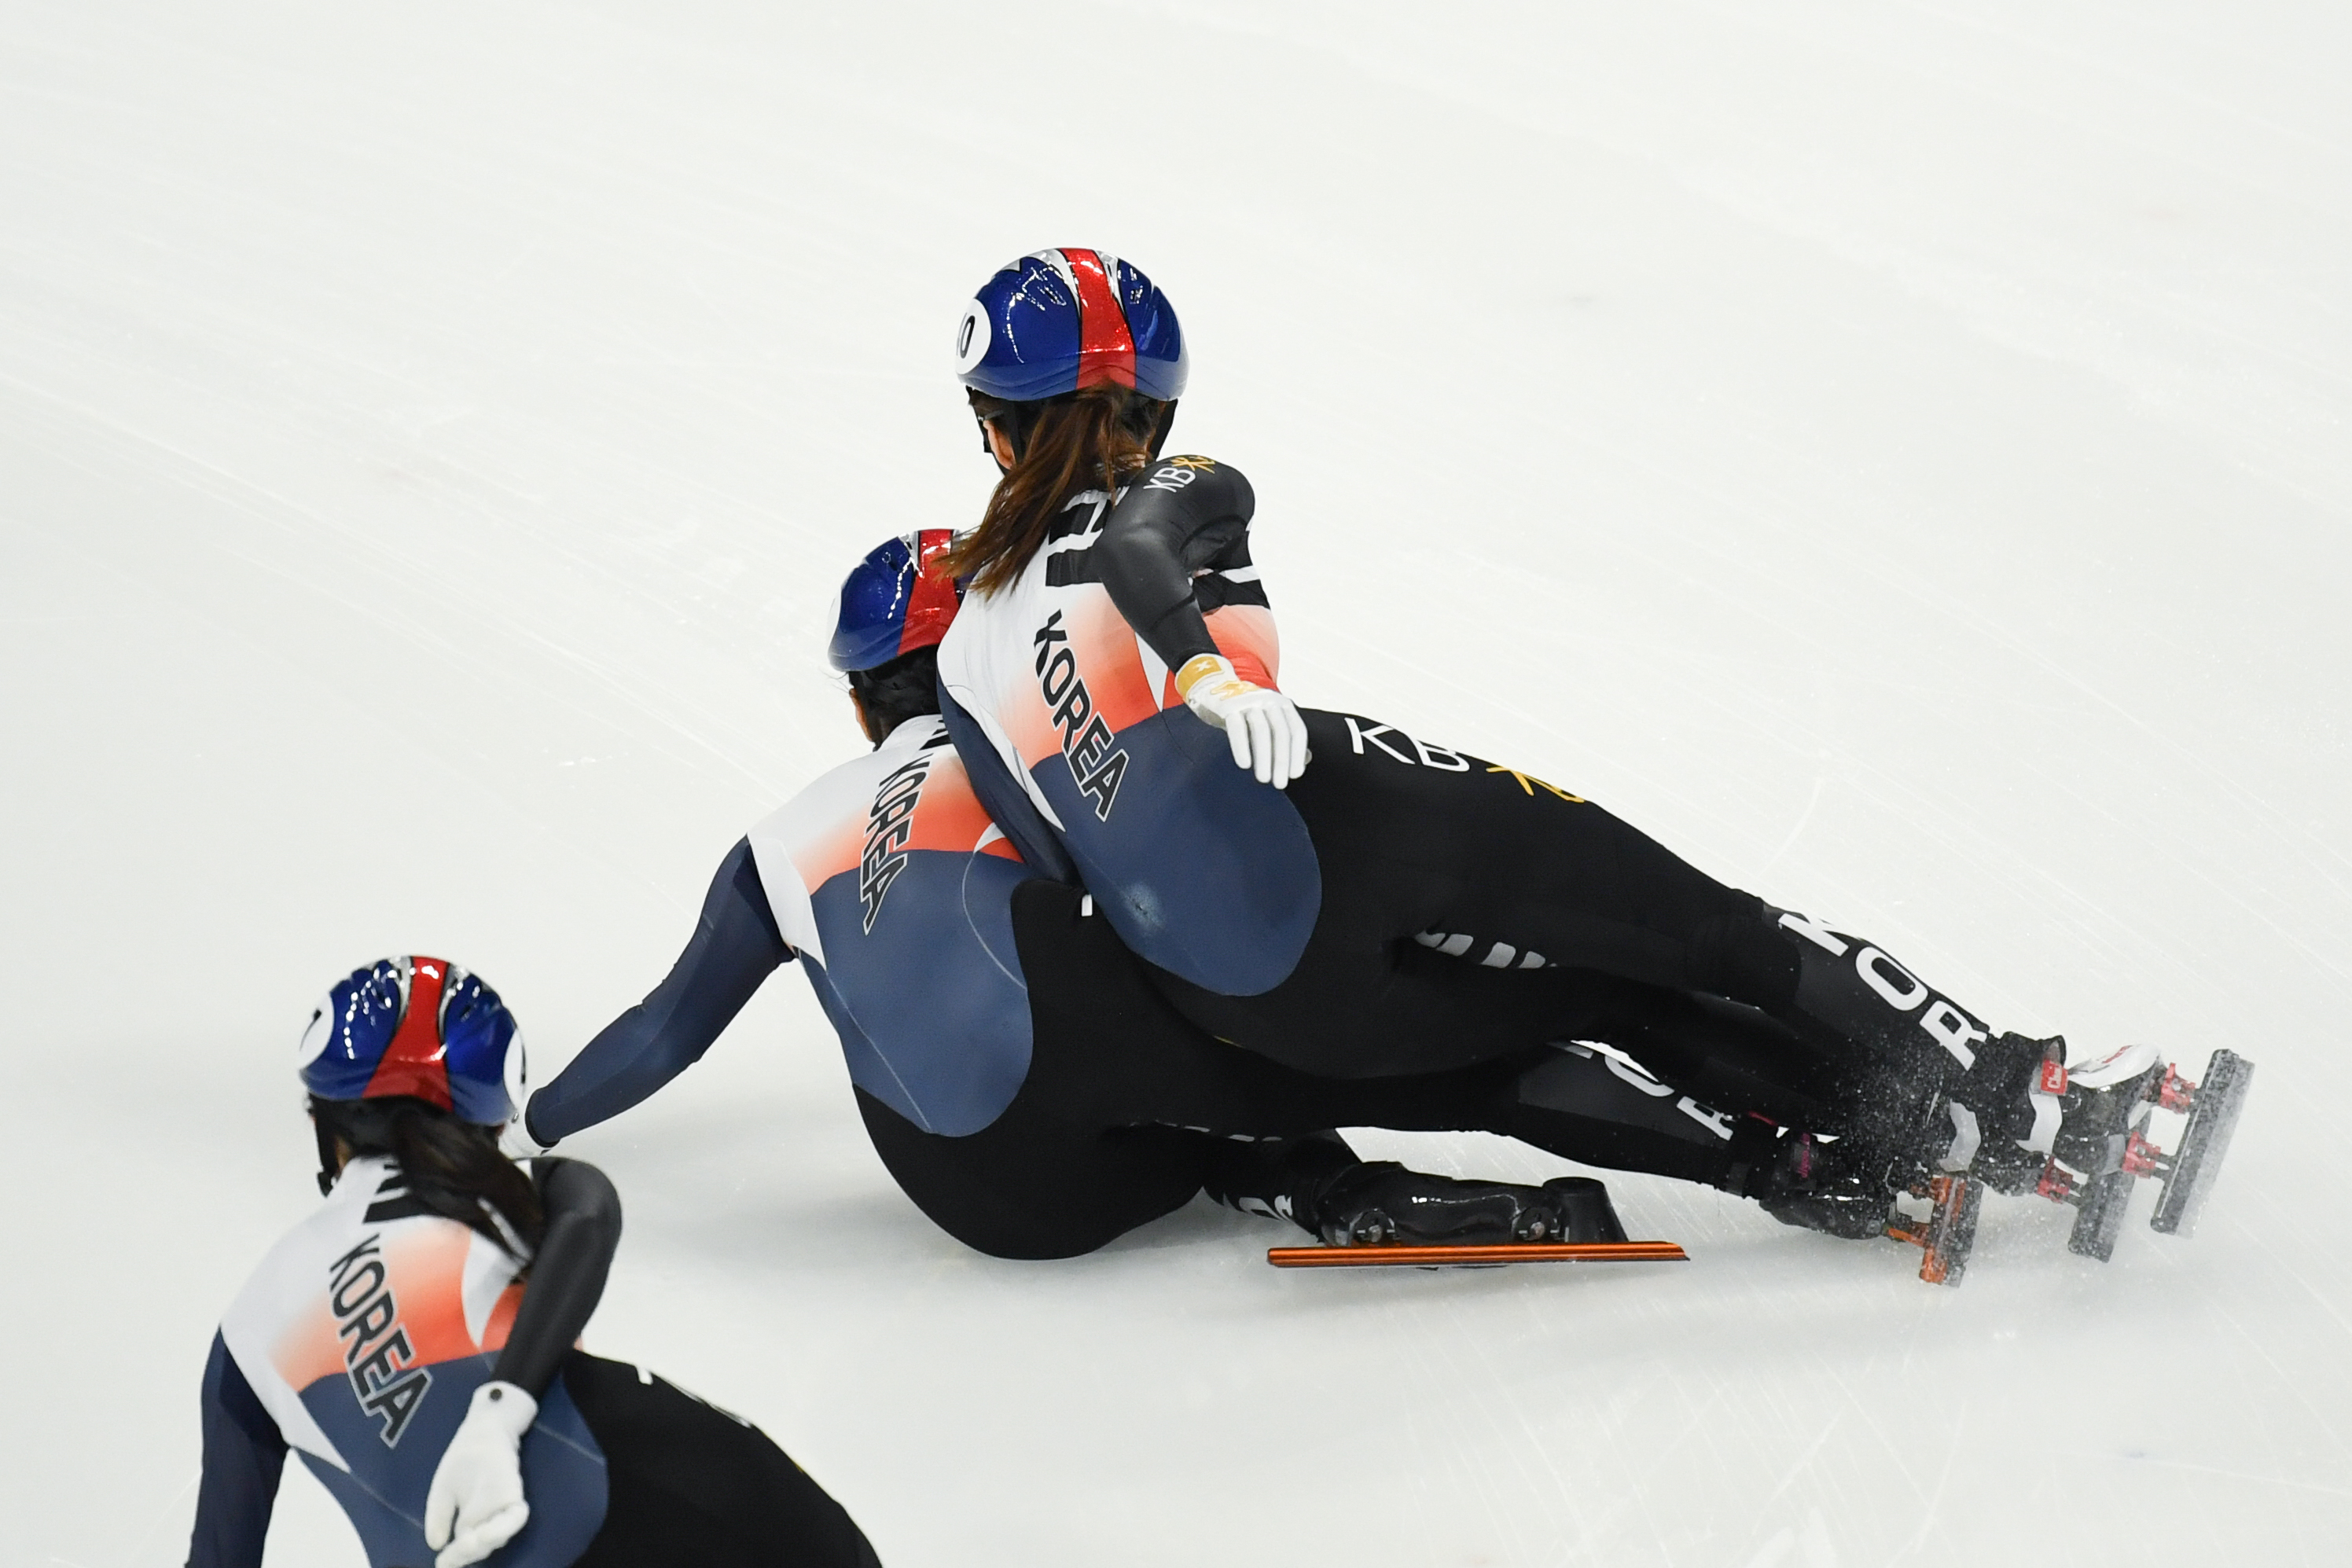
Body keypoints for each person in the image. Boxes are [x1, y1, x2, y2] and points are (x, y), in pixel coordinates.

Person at [926, 248, 2170, 1217]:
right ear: (1154, 400)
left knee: (1599, 1005)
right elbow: (1143, 548)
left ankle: (1815, 1168)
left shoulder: (963, 643)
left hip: (1252, 987)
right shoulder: (1178, 483)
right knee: (1716, 935)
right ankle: (2017, 1091)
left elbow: (1049, 871)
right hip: (1343, 828)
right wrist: (1199, 665)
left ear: (995, 420)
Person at [520, 537, 1982, 1262]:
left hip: (967, 1201)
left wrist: (529, 1124)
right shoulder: (1018, 748)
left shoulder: (777, 842)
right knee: (1416, 1051)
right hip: (1122, 1102)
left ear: (858, 702)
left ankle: (1291, 1168)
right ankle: (1317, 1156)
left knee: (1098, 1027)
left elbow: (659, 1034)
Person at [186, 957, 880, 1568]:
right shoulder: (496, 1190)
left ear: (324, 1123)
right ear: (490, 1120)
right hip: (645, 1480)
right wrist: (500, 1409)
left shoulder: (244, 1334)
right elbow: (592, 1208)